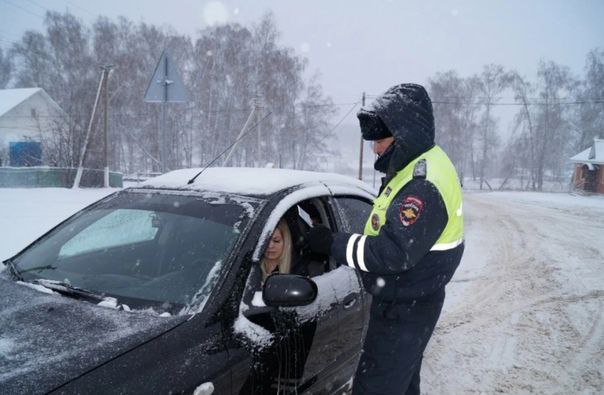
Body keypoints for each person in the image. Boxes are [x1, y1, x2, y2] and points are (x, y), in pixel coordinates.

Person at [307, 83, 464, 395]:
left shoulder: (423, 184)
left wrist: (331, 243)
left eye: (380, 138)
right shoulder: (418, 165)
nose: (375, 148)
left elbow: (393, 252)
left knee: (375, 387)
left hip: (405, 306)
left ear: (405, 133)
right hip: (412, 297)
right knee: (402, 384)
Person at [260, 218, 292, 283]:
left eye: (276, 241)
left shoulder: (296, 270)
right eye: (266, 241)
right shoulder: (252, 267)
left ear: (285, 242)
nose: (270, 246)